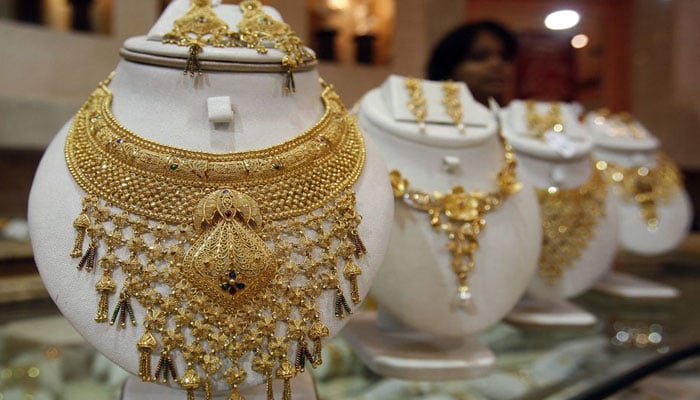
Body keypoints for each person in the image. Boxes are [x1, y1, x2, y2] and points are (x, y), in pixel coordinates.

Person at [427, 20, 518, 107]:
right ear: (450, 69)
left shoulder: (521, 119)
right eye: (480, 57)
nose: (497, 64)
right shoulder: (425, 118)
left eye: (505, 57)